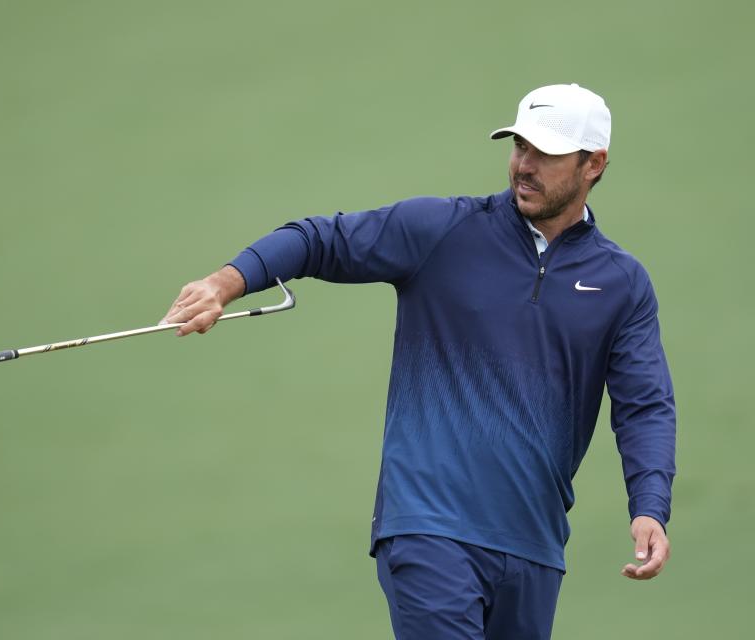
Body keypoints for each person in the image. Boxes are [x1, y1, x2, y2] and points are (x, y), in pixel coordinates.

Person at [159, 83, 675, 640]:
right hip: (429, 529)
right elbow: (316, 239)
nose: (524, 165)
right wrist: (225, 282)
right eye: (519, 146)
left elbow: (644, 405)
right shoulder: (443, 231)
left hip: (534, 546)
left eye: (545, 154)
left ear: (593, 163)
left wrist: (650, 507)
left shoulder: (622, 284)